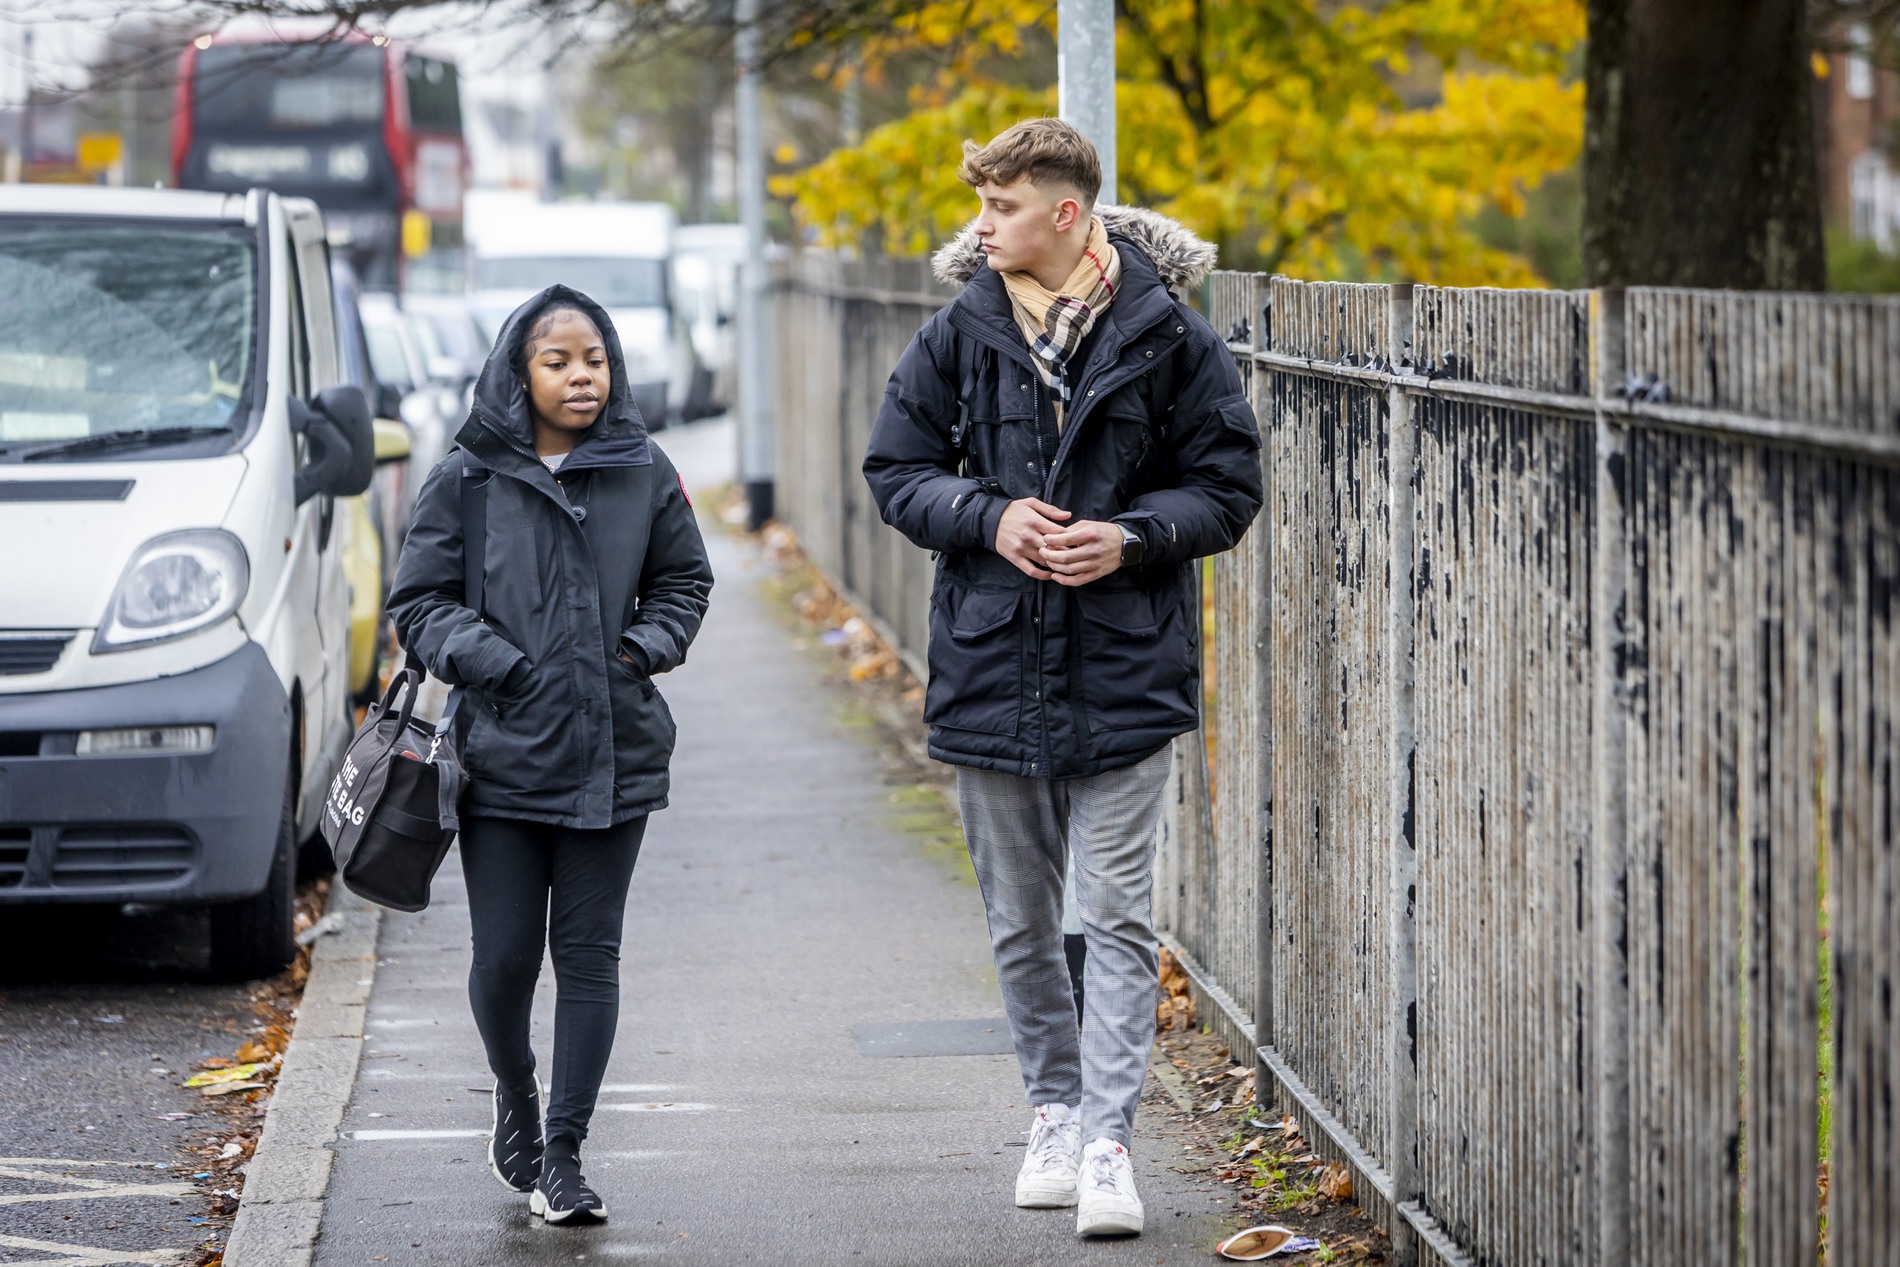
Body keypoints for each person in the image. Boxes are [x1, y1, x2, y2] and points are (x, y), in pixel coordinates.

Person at [862, 119, 1263, 1237]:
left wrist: (1130, 537)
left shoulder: (1171, 338)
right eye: (980, 207)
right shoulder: (958, 333)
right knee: (1022, 918)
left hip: (1127, 669)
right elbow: (894, 472)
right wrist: (988, 517)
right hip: (992, 664)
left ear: (1065, 213)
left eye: (999, 208)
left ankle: (1107, 1140)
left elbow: (1227, 489)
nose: (980, 227)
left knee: (1116, 914)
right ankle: (1051, 1107)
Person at [387, 284, 713, 1227]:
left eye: (595, 359)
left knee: (590, 957)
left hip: (616, 755)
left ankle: (563, 1153)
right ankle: (516, 1093)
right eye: (558, 362)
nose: (581, 377)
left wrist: (639, 649)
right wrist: (500, 666)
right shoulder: (471, 477)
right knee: (502, 964)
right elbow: (420, 600)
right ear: (518, 373)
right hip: (500, 760)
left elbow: (685, 579)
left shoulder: (644, 467)